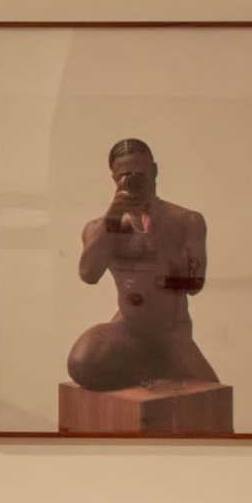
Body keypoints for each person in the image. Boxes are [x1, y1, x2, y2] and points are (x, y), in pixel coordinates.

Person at [66, 137, 216, 393]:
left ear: (154, 170)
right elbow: (88, 274)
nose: (134, 179)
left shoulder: (185, 221)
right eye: (125, 174)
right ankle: (145, 370)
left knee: (210, 401)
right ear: (113, 178)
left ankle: (158, 365)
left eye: (140, 172)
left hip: (171, 332)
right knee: (82, 361)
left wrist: (166, 273)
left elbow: (195, 285)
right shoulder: (101, 228)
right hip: (129, 328)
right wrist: (113, 216)